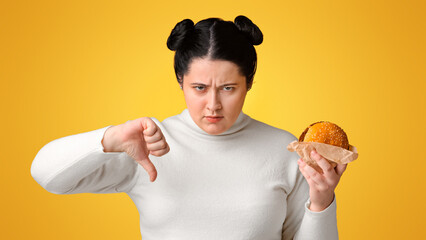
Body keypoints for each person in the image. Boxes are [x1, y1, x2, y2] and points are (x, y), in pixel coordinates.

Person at [31, 15, 346, 240]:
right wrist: (109, 138)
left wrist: (321, 202)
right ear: (180, 82)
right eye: (198, 88)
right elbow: (47, 176)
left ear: (248, 83)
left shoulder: (283, 149)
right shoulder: (145, 144)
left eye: (227, 88)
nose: (212, 105)